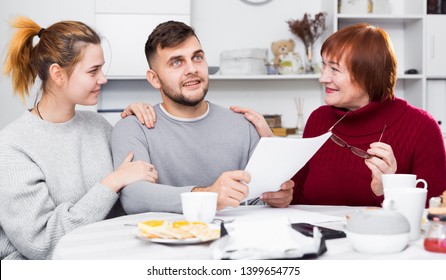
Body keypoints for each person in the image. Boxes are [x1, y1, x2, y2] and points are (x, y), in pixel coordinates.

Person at [232, 23, 446, 207]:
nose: (323, 78)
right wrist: (280, 192)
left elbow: (435, 213)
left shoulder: (422, 127)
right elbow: (296, 195)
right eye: (323, 66)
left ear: (369, 74)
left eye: (334, 69)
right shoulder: (319, 119)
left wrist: (387, 190)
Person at [0, 17, 158, 260]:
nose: (103, 79)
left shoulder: (99, 126)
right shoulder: (12, 147)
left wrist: (137, 123)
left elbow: (137, 184)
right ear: (58, 74)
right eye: (93, 70)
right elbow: (43, 244)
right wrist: (111, 183)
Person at [111, 20, 293, 214]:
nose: (192, 69)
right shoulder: (133, 128)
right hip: (164, 241)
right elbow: (134, 197)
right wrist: (208, 195)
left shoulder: (244, 126)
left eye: (197, 57)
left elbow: (258, 200)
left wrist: (276, 197)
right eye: (177, 62)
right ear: (154, 79)